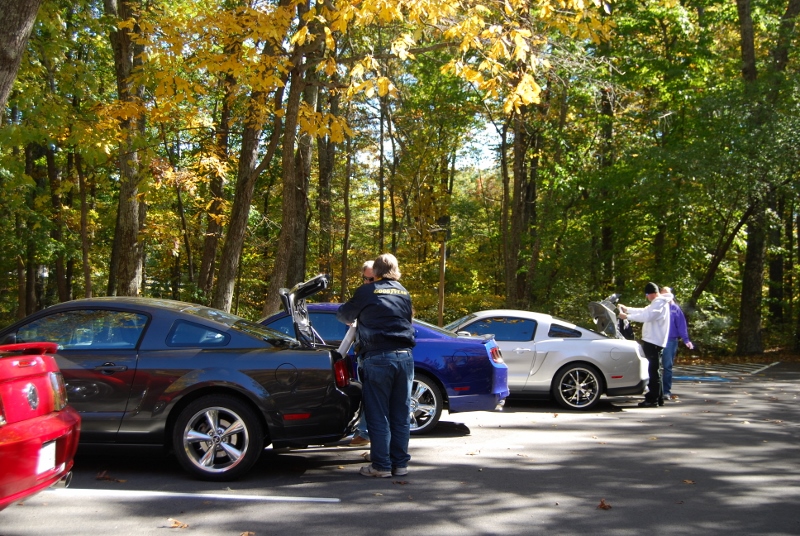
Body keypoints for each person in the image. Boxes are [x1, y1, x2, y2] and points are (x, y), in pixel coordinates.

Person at [337, 253, 415, 478]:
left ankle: (381, 466)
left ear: (376, 272)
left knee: (378, 413)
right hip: (405, 357)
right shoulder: (404, 292)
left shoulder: (367, 291)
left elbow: (343, 314)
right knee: (400, 413)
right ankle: (400, 464)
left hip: (378, 357)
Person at [618, 282, 672, 408]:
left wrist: (627, 316)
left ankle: (652, 399)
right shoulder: (659, 302)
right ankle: (658, 398)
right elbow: (645, 310)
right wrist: (628, 309)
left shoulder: (659, 302)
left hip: (654, 341)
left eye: (647, 294)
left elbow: (647, 316)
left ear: (652, 294)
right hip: (654, 340)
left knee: (653, 371)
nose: (647, 297)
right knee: (655, 371)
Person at [348, 260, 375, 447]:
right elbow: (346, 315)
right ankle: (364, 433)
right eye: (365, 278)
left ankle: (365, 434)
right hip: (365, 354)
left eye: (371, 279)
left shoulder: (377, 296)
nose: (367, 282)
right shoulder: (365, 295)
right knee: (369, 396)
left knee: (374, 398)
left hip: (376, 355)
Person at [659, 286, 693, 401]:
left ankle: (666, 391)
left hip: (670, 340)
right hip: (657, 340)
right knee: (655, 366)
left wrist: (686, 340)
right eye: (663, 294)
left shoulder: (675, 309)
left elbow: (681, 325)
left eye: (668, 294)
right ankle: (655, 390)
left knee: (667, 367)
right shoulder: (657, 307)